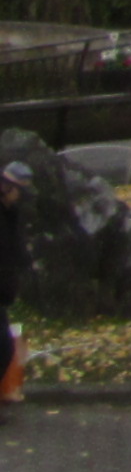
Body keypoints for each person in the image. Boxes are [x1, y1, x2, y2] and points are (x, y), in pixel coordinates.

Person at [0, 159, 29, 407]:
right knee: (3, 348)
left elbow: (16, 250)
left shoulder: (12, 213)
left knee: (4, 349)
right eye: (19, 190)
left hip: (2, 292)